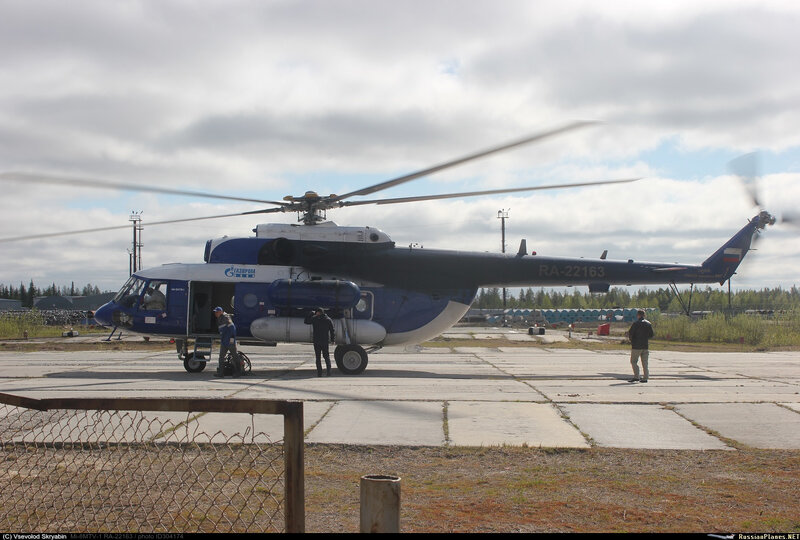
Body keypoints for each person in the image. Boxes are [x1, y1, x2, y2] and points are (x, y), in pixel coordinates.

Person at [304, 307, 336, 377]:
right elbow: (332, 330)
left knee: (318, 358)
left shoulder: (315, 319)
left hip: (317, 341)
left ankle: (319, 373)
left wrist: (310, 314)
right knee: (326, 357)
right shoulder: (328, 319)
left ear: (318, 312)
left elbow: (306, 321)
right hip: (325, 341)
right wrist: (333, 340)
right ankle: (329, 372)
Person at [213, 306, 242, 378]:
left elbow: (232, 328)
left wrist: (232, 338)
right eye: (215, 312)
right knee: (221, 357)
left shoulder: (226, 318)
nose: (215, 313)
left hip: (229, 341)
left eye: (217, 312)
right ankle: (221, 373)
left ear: (220, 312)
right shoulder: (219, 319)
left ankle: (238, 372)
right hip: (224, 341)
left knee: (235, 356)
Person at [627, 309, 654, 383]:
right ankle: (645, 377)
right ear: (644, 315)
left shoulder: (636, 324)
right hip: (645, 346)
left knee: (633, 361)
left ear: (638, 315)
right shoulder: (648, 323)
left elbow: (631, 333)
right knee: (645, 363)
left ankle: (636, 376)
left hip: (636, 346)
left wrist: (631, 340)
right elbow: (651, 335)